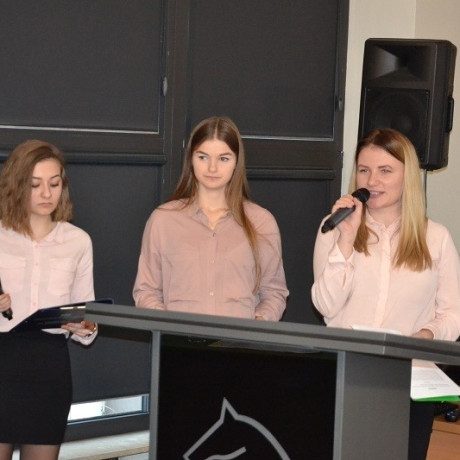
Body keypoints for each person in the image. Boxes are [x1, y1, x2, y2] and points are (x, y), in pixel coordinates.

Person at [311, 128, 460, 459]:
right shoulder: (334, 228)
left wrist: (426, 335)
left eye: (385, 170)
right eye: (364, 170)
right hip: (346, 377)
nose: (372, 181)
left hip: (409, 382)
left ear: (408, 177)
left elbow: (453, 314)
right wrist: (346, 242)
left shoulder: (436, 237)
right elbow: (325, 306)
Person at [133, 116, 288, 320]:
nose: (212, 168)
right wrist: (167, 328)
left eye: (223, 159)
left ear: (236, 162)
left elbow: (274, 294)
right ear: (191, 159)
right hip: (178, 339)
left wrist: (258, 324)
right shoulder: (163, 220)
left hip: (239, 339)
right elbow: (146, 291)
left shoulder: (261, 222)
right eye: (203, 157)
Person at [0, 140, 97, 460]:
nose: (46, 194)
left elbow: (89, 316)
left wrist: (85, 326)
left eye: (54, 184)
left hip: (49, 368)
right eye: (35, 185)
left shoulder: (78, 241)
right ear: (17, 185)